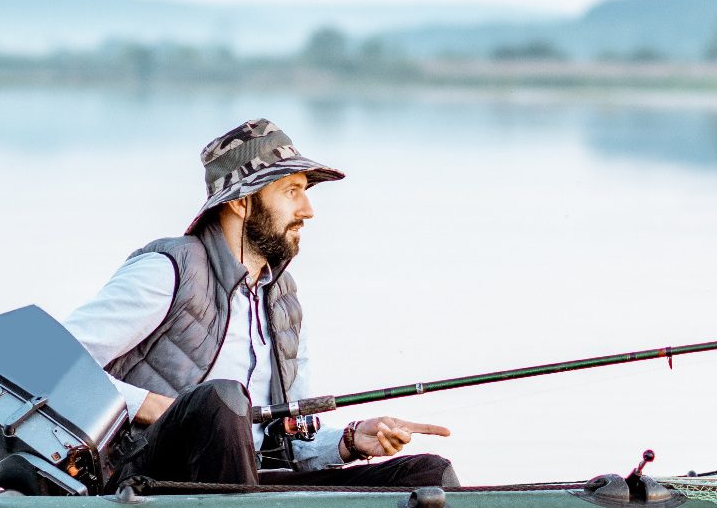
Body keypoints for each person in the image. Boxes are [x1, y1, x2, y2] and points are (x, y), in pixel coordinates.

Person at [66, 118, 452, 488]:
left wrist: (350, 441)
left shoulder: (284, 299)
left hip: (249, 484)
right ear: (241, 203)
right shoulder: (169, 270)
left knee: (428, 476)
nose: (308, 210)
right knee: (221, 400)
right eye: (291, 191)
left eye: (306, 190)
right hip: (145, 481)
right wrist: (158, 407)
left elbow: (296, 439)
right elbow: (51, 364)